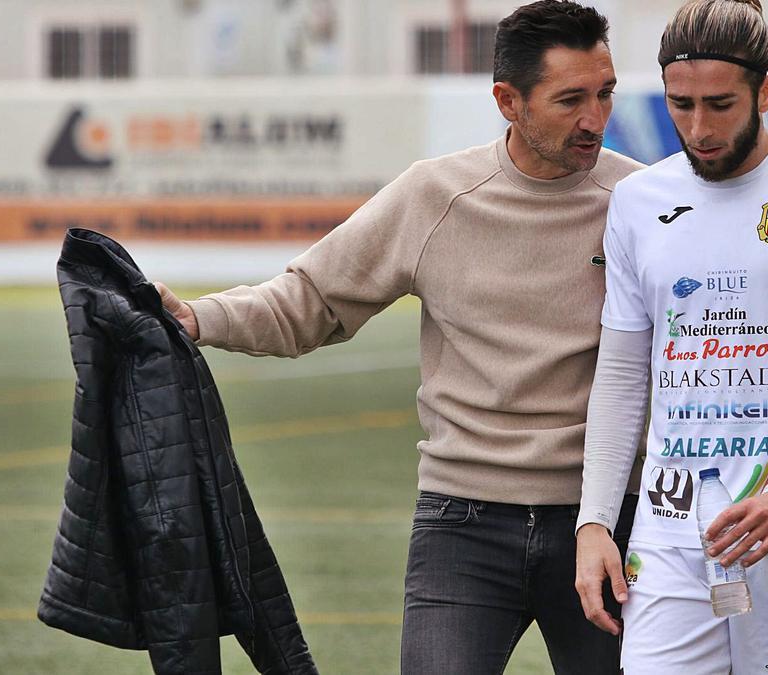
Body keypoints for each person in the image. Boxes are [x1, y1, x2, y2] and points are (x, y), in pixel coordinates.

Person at [154, 2, 644, 673]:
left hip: (605, 521)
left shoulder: (642, 203)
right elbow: (309, 301)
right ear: (508, 100)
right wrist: (196, 318)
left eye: (605, 93)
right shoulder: (433, 197)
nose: (595, 118)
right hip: (461, 526)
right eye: (570, 100)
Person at [573, 0, 768, 672]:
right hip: (666, 533)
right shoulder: (637, 202)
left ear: (765, 91)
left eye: (720, 104)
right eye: (679, 104)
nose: (699, 127)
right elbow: (623, 374)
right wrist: (596, 519)